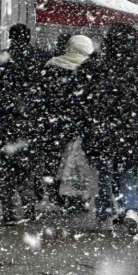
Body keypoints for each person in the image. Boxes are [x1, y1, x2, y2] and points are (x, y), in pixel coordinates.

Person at [82, 24, 138, 233]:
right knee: (128, 172)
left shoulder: (93, 66)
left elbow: (81, 99)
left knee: (103, 173)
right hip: (133, 130)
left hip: (100, 129)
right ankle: (131, 208)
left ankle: (105, 212)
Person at [0, 24, 48, 225]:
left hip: (6, 119)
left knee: (6, 166)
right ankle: (29, 208)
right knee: (29, 165)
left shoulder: (1, 57)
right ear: (28, 37)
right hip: (32, 120)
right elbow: (46, 89)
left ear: (11, 37)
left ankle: (9, 211)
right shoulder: (41, 57)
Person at [33, 34, 96, 215]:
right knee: (76, 161)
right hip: (78, 121)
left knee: (54, 158)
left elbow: (41, 94)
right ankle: (76, 195)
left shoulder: (52, 64)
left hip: (54, 121)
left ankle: (55, 192)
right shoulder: (89, 68)